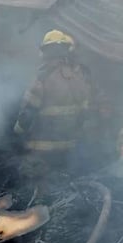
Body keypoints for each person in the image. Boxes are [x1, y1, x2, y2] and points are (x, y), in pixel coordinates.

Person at [13, 30, 92, 168]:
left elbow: (28, 113)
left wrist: (17, 132)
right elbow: (84, 113)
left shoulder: (42, 78)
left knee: (35, 181)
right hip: (68, 147)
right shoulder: (79, 77)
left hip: (41, 149)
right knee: (61, 184)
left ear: (46, 52)